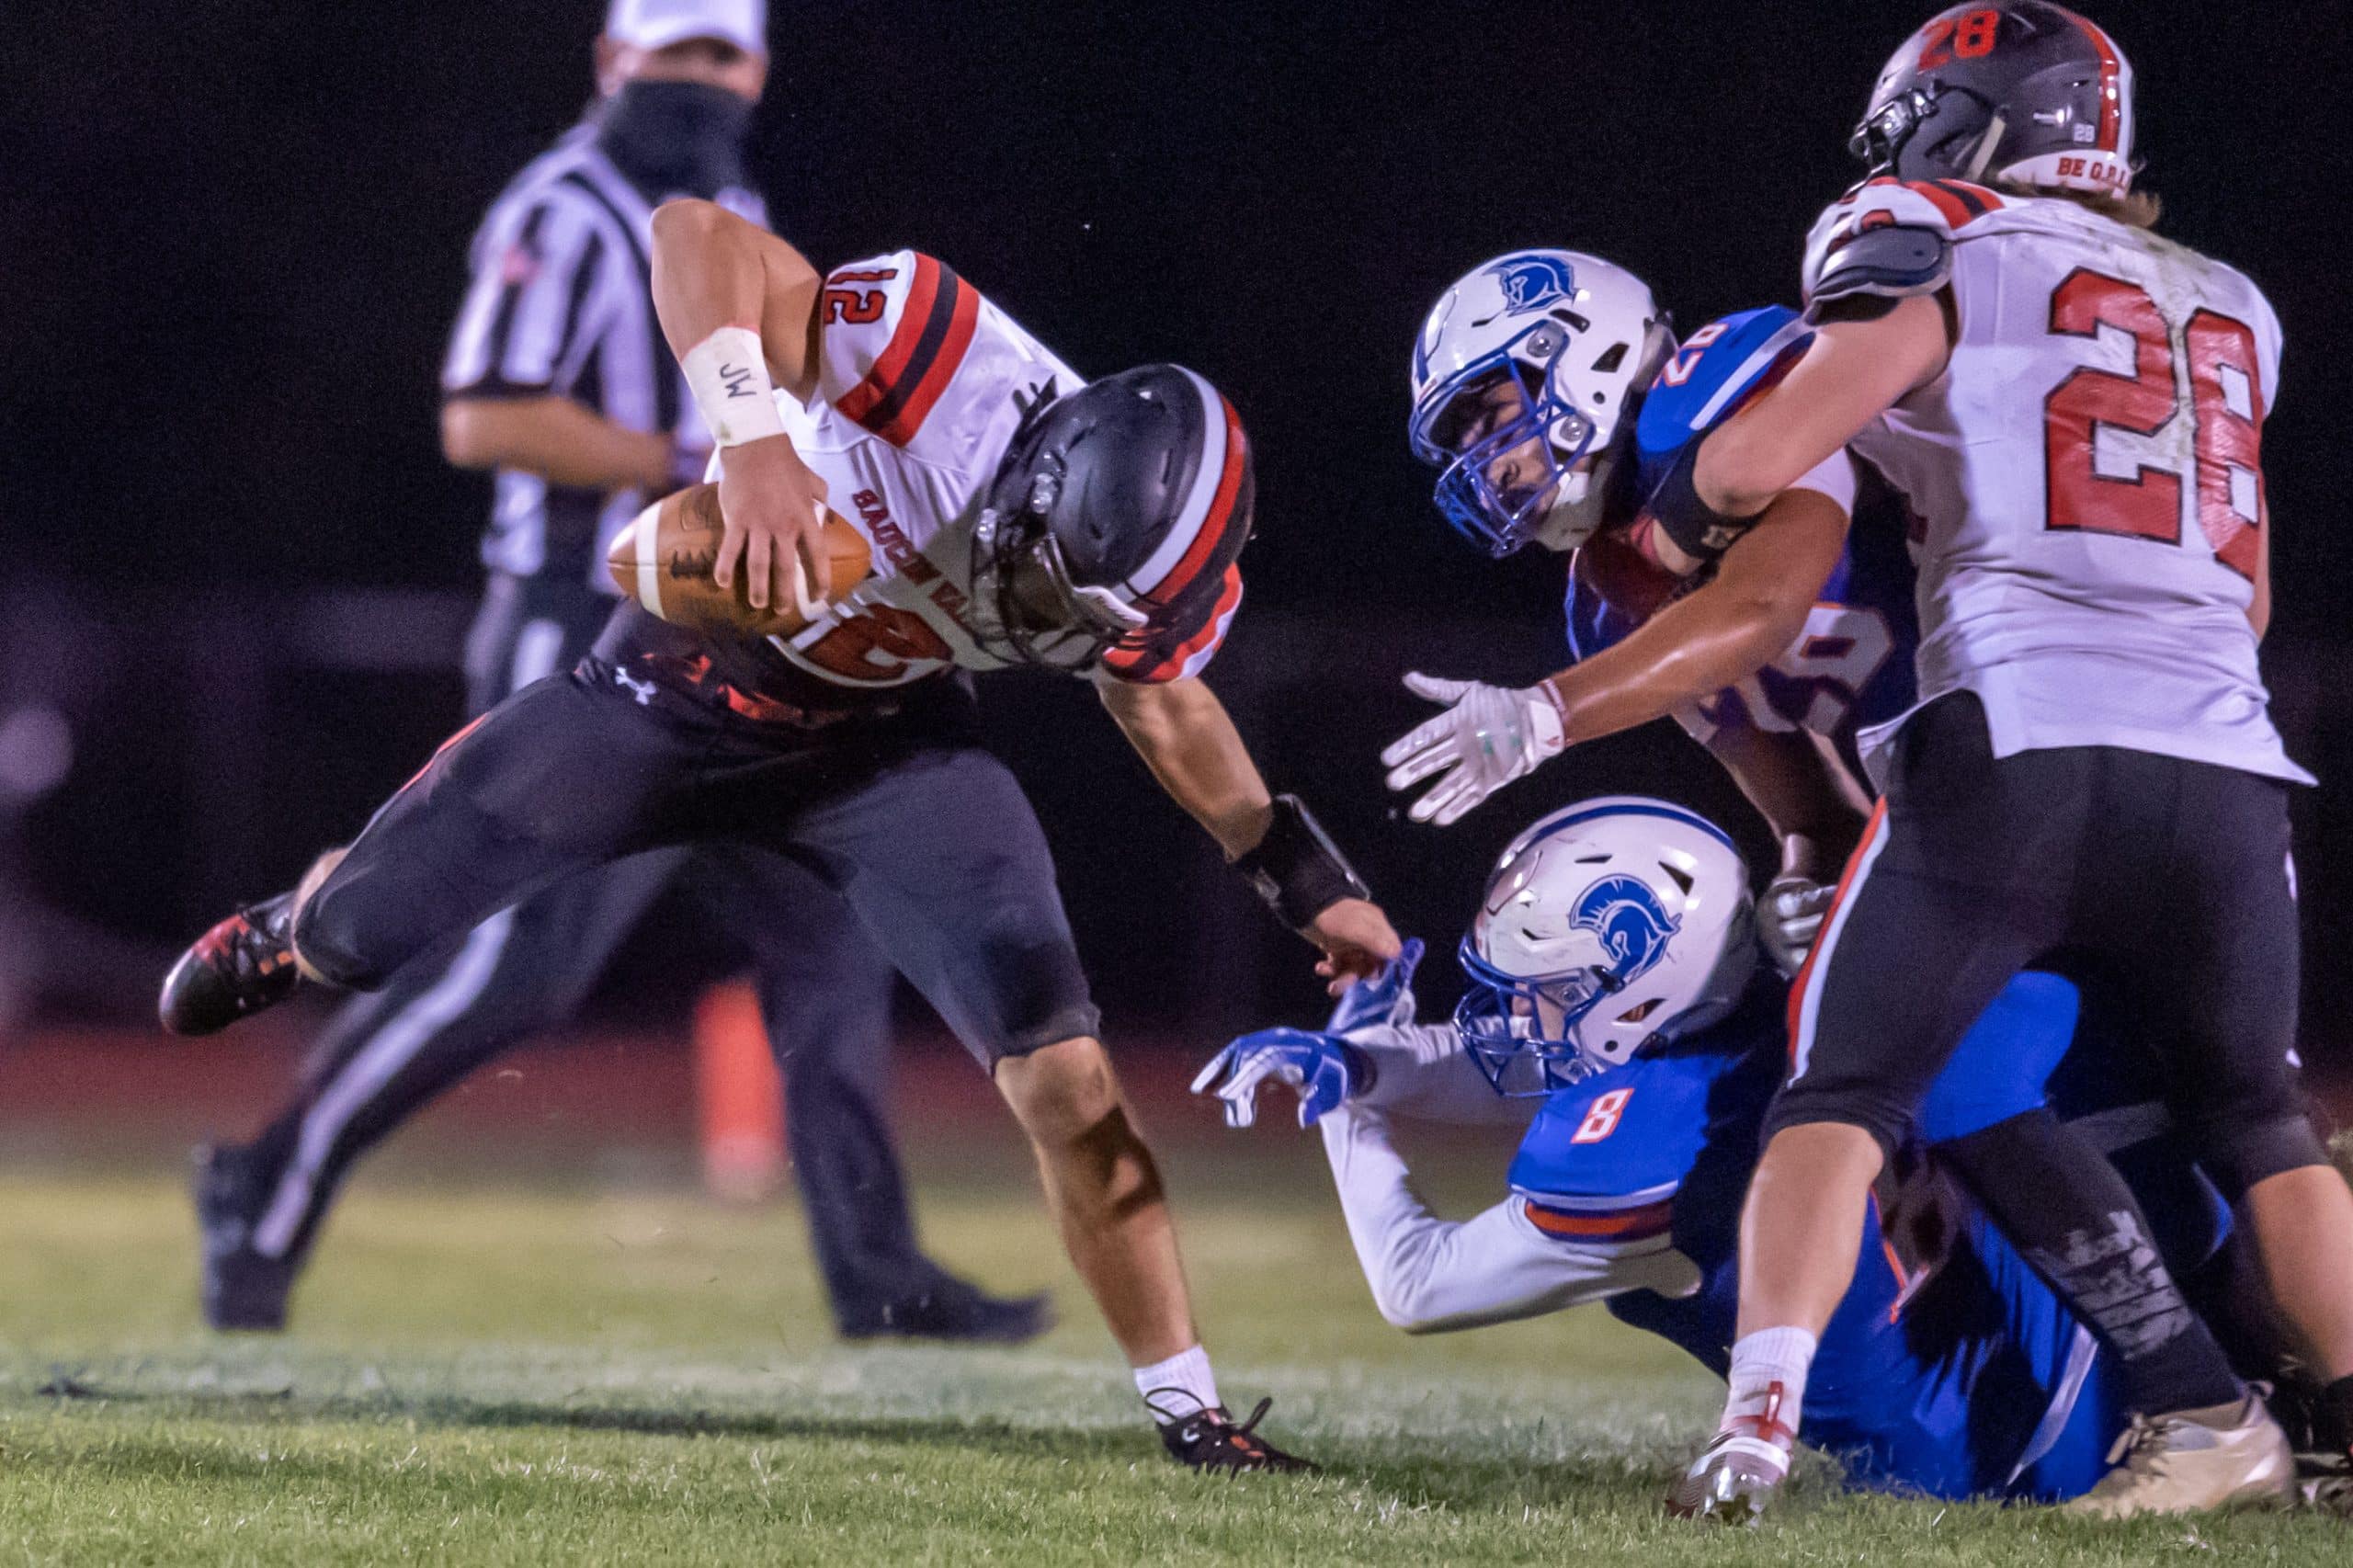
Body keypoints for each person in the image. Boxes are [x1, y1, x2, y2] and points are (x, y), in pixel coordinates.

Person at [161, 199, 1402, 1469]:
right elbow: (693, 235)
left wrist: (1305, 881)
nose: (1049, 622)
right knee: (361, 938)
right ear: (1043, 479)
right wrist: (752, 439)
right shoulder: (937, 367)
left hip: (884, 742)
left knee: (1062, 1065)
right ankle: (291, 922)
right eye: (1046, 586)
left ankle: (1191, 1413)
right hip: (676, 684)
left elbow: (1164, 707)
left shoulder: (1148, 583)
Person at [1387, 242, 2315, 1513]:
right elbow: (1805, 803)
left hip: (2055, 748)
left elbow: (1765, 604)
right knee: (2070, 1092)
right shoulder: (1608, 598)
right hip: (1973, 814)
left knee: (2173, 1103)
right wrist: (1807, 879)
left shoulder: (1724, 396)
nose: (1485, 459)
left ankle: (2223, 1402)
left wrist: (1548, 716)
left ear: (1585, 358)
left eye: (1491, 411)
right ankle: (2230, 1405)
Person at [169, 0, 1044, 1346]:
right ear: (612, 62)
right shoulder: (565, 209)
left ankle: (878, 1279)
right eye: (672, 52)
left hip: (745, 645)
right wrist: (694, 464)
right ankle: (266, 1182)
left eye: (718, 53)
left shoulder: (734, 202)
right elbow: (483, 414)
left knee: (830, 940)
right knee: (514, 968)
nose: (696, 78)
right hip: (589, 622)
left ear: (756, 68)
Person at [1620, 3, 2352, 1518]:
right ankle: (2325, 1427)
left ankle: (1754, 1434)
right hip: (2228, 758)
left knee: (1843, 1087)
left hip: (2020, 730)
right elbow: (2252, 597)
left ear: (1965, 125)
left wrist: (1683, 508)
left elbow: (1750, 463)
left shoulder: (1947, 240)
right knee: (2262, 1119)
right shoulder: (2230, 301)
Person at [1191, 798, 2244, 1505]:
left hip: (1994, 1458)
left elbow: (1417, 1282)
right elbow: (1532, 1055)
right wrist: (1362, 1061)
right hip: (2079, 1344)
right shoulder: (1809, 1006)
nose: (1520, 1015)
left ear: (1637, 984)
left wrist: (1343, 1105)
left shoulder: (1646, 1146)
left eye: (1550, 990)